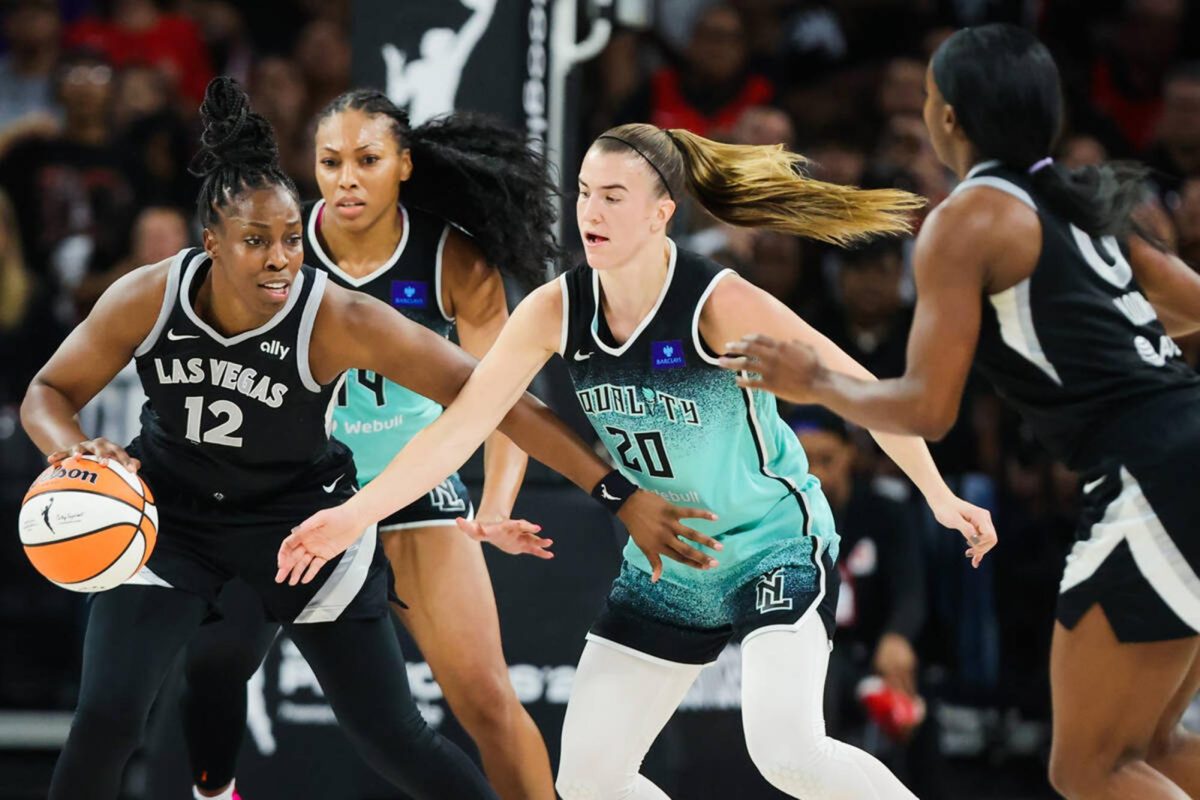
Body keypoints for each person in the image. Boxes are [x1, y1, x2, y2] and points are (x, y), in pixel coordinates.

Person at [19, 78, 716, 800]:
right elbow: (48, 391)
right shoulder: (149, 294)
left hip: (309, 522)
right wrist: (68, 448)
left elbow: (498, 402)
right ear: (212, 244)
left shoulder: (345, 314)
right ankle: (214, 789)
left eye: (291, 240)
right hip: (172, 516)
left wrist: (617, 493)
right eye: (257, 242)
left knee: (401, 734)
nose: (282, 259)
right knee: (116, 714)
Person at [278, 121, 997, 800]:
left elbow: (860, 389)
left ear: (660, 213)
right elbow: (463, 425)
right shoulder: (558, 309)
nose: (591, 211)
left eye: (614, 197)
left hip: (771, 547)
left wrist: (938, 494)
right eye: (586, 193)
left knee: (787, 751)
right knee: (589, 782)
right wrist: (354, 516)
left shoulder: (715, 302)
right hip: (670, 568)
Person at [723, 24, 1200, 800]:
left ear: (949, 118)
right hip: (1181, 448)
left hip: (1150, 475)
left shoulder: (966, 218)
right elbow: (1188, 309)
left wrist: (815, 383)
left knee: (1088, 768)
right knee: (1149, 744)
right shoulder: (1089, 204)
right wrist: (1103, 338)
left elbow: (927, 409)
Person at [180, 90, 563, 800]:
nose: (346, 178)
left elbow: (505, 400)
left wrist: (496, 504)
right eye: (330, 162)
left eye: (367, 160)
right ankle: (214, 790)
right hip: (294, 495)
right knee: (216, 660)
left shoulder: (453, 259)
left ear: (405, 166)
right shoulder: (278, 245)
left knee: (486, 701)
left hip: (413, 489)